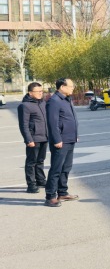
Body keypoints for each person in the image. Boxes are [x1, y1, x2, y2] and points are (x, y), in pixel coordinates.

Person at [45, 78, 79, 207]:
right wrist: (57, 139)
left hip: (70, 139)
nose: (73, 88)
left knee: (66, 168)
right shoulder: (54, 101)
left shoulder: (66, 99)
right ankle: (50, 196)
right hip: (61, 141)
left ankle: (62, 192)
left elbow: (70, 119)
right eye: (71, 86)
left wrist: (75, 135)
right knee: (56, 169)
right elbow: (52, 123)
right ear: (62, 87)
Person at [17, 82, 48, 193]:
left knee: (40, 160)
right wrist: (28, 139)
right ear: (30, 93)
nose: (40, 93)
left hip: (44, 137)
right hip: (33, 138)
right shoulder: (24, 106)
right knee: (31, 162)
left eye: (41, 91)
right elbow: (23, 125)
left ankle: (41, 180)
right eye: (38, 91)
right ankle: (31, 185)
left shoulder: (43, 103)